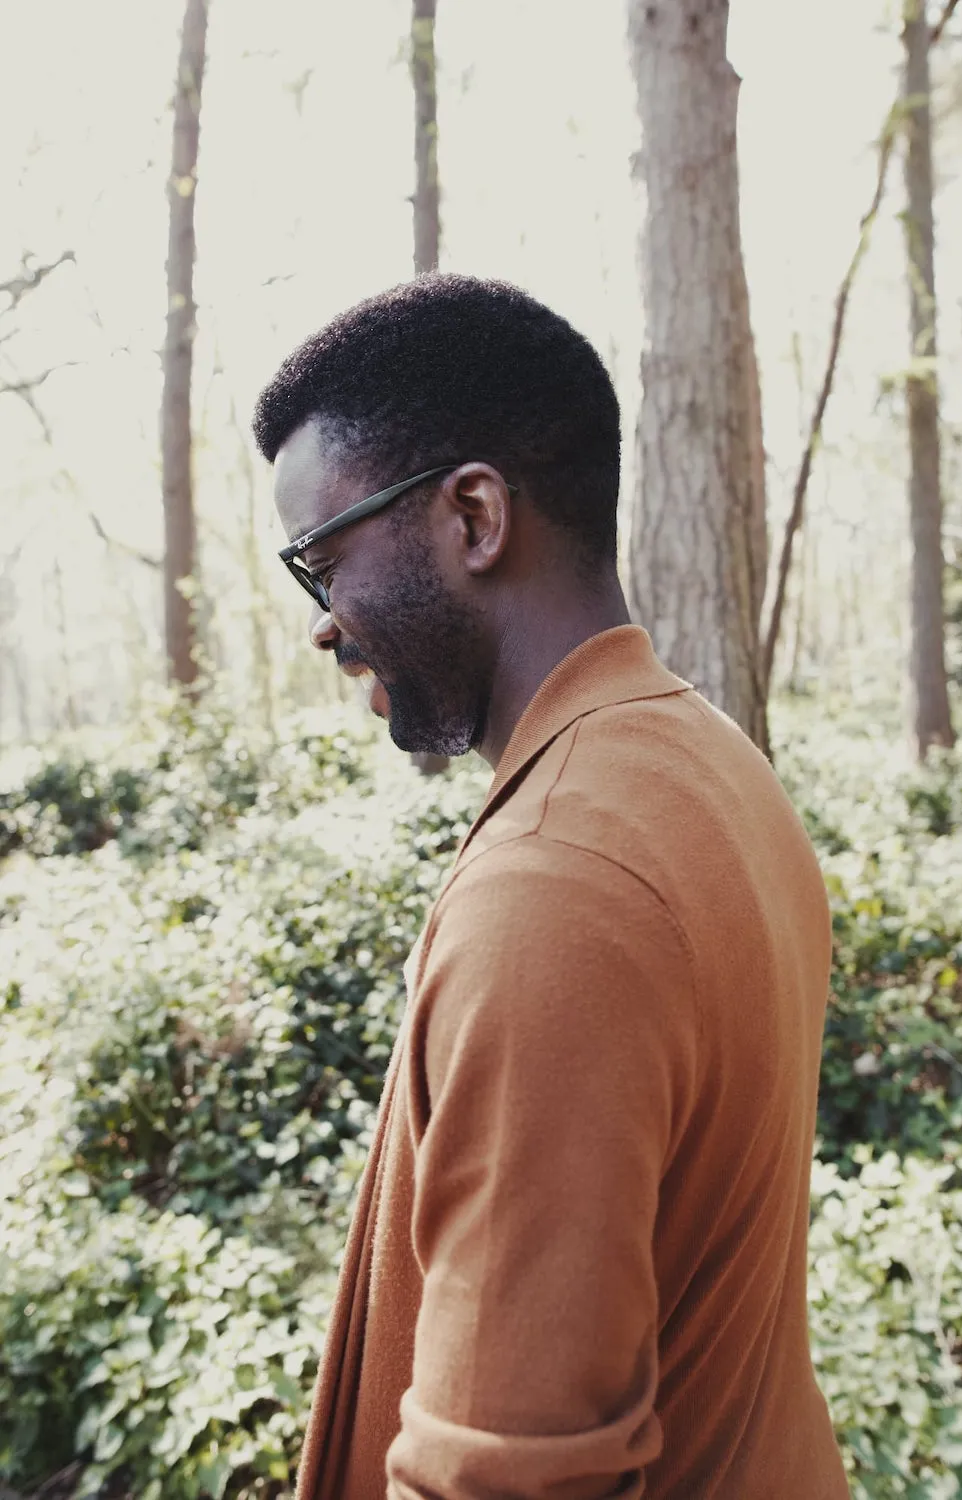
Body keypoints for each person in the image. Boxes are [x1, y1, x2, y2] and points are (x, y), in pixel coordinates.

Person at [253, 274, 849, 1500]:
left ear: (474, 516)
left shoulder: (554, 887)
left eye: (323, 561)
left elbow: (509, 1479)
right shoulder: (709, 761)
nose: (322, 623)